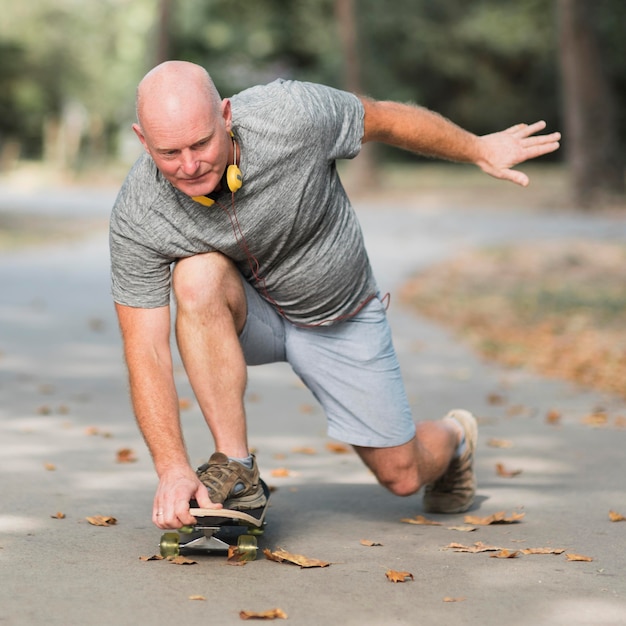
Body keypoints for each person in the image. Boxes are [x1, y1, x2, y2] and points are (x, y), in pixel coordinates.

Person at [110, 60, 560, 530]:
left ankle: (455, 435)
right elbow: (146, 350)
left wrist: (477, 149)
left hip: (339, 316)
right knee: (196, 275)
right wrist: (172, 468)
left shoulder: (291, 115)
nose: (189, 165)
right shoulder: (139, 214)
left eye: (201, 143)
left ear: (225, 115)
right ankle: (237, 467)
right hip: (251, 320)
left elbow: (384, 118)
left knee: (403, 475)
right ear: (143, 141)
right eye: (169, 152)